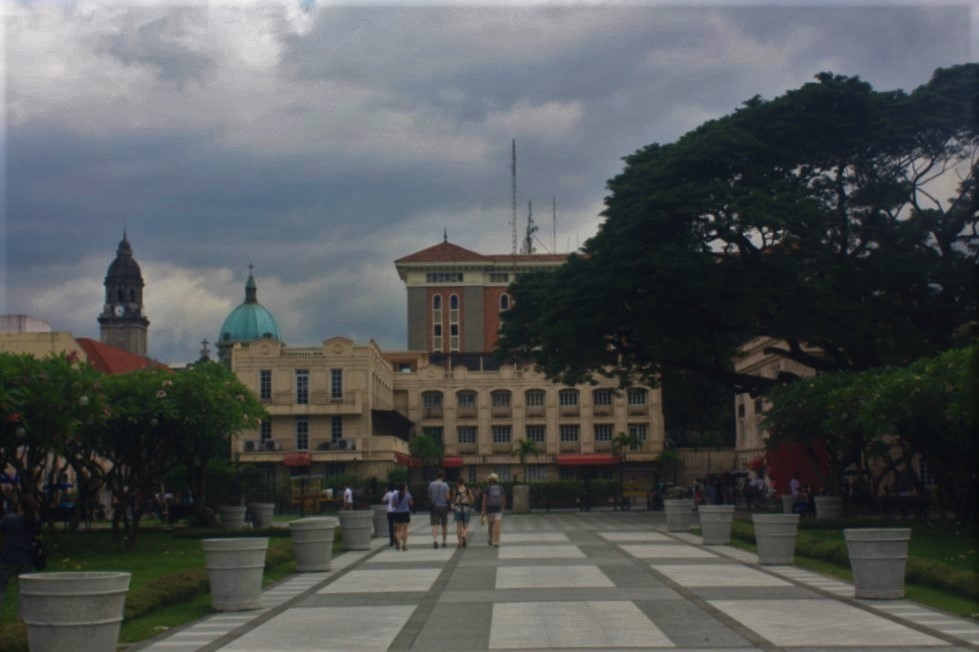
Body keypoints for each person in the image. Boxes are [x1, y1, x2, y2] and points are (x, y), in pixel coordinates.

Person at [0, 494, 40, 619]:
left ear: (20, 505)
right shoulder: (34, 521)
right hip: (26, 558)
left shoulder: (9, 519)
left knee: (1, 585)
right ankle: (23, 616)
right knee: (23, 588)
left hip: (8, 557)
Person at [481, 473, 505, 547]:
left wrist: (483, 510)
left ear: (490, 480)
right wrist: (503, 508)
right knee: (497, 526)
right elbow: (503, 498)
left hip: (490, 509)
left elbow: (484, 500)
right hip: (498, 509)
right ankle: (497, 542)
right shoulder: (500, 488)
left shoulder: (487, 488)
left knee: (490, 526)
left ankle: (491, 539)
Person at [428, 470, 451, 548]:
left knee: (435, 524)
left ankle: (435, 540)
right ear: (443, 476)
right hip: (443, 505)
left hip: (434, 506)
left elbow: (429, 496)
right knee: (444, 524)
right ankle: (444, 541)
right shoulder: (445, 485)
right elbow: (447, 497)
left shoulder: (431, 484)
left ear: (437, 476)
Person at [451, 478, 474, 547]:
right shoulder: (467, 490)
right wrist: (468, 500)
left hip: (458, 509)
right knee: (466, 525)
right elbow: (472, 499)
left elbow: (453, 500)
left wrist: (453, 504)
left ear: (457, 483)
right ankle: (464, 535)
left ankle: (459, 542)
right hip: (466, 509)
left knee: (459, 526)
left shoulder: (456, 490)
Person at [393, 484, 413, 550]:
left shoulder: (395, 495)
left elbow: (393, 505)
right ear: (404, 489)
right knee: (405, 530)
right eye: (406, 488)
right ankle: (404, 545)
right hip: (405, 513)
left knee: (398, 530)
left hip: (397, 513)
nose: (407, 489)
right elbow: (411, 503)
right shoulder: (408, 495)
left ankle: (398, 541)